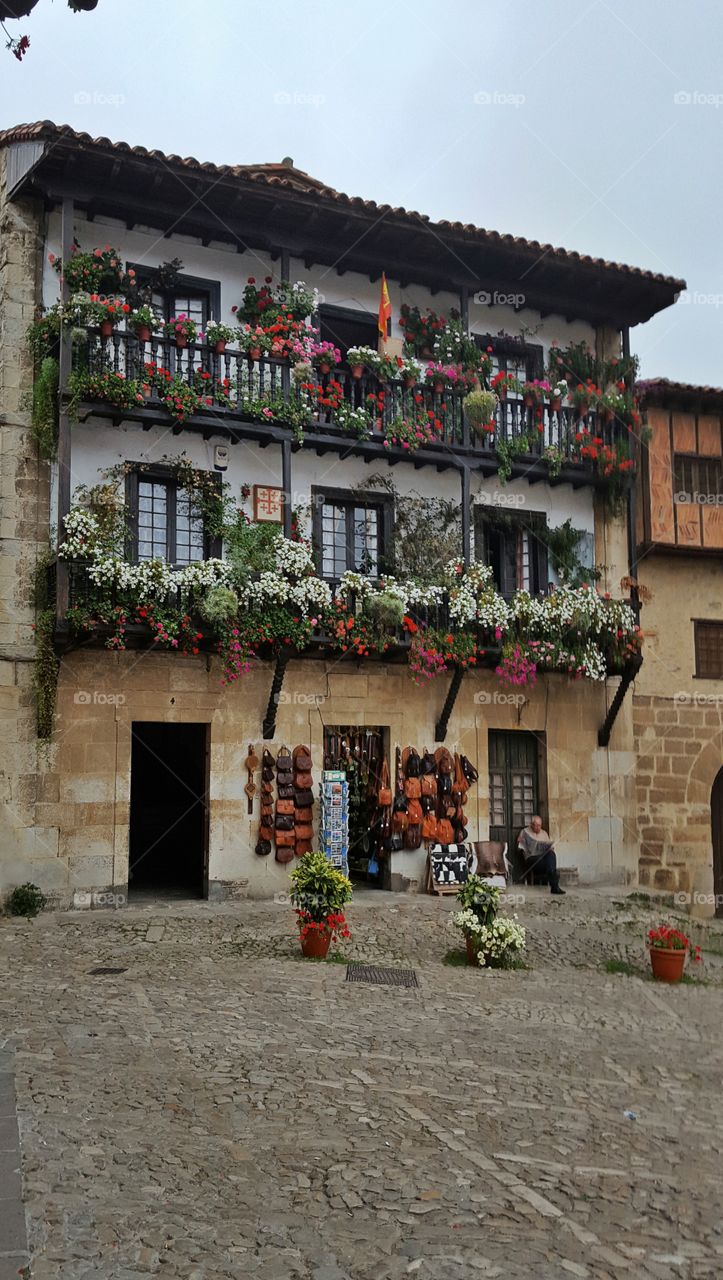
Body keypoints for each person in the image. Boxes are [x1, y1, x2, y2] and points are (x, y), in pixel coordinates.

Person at [517, 815, 565, 895]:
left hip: (543, 860)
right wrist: (520, 842)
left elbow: (551, 848)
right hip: (532, 859)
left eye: (540, 825)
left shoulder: (544, 833)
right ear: (532, 824)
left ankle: (553, 879)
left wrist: (550, 849)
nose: (538, 828)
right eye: (537, 825)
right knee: (550, 865)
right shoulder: (524, 832)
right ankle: (554, 882)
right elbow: (519, 848)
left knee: (551, 854)